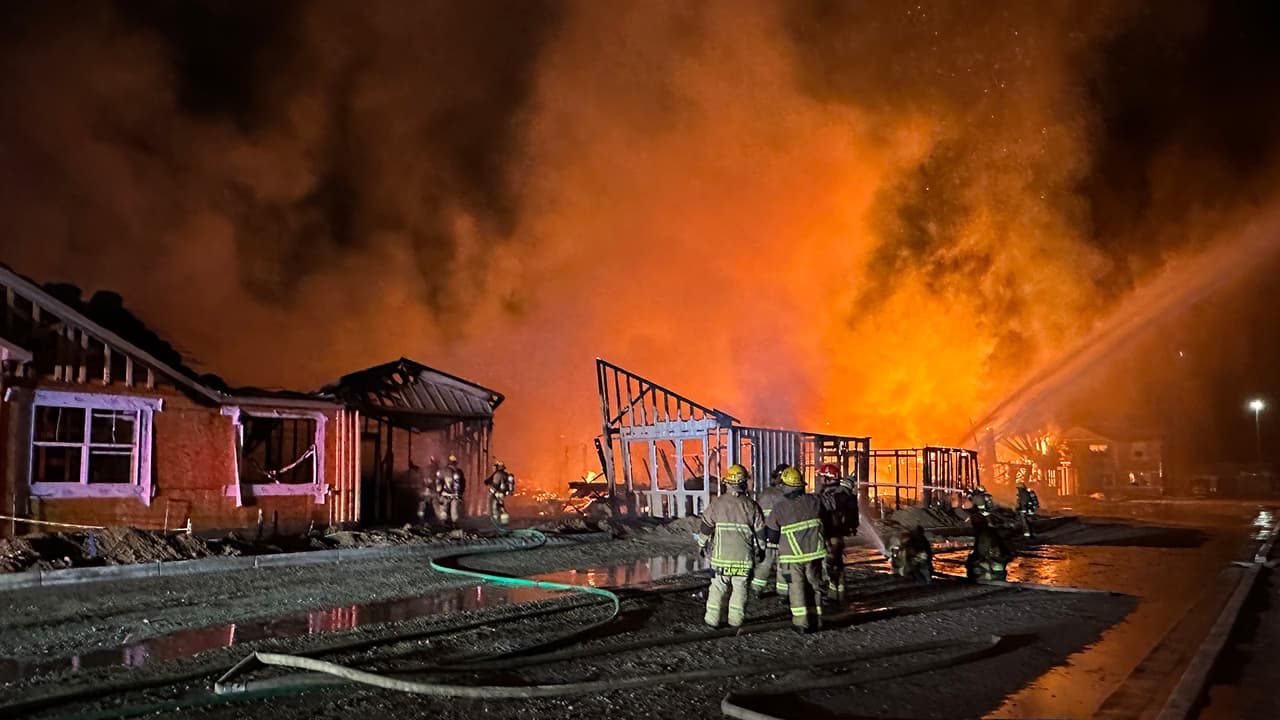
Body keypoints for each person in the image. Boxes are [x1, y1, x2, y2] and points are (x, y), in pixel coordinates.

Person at [698, 464, 766, 629]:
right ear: (744, 484)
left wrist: (701, 545)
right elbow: (761, 533)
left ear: (727, 483)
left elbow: (706, 526)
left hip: (721, 558)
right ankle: (735, 621)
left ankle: (712, 620)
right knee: (740, 588)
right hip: (743, 559)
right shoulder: (751, 506)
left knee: (717, 587)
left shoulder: (717, 504)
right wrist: (762, 550)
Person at [766, 465, 827, 633]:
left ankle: (802, 624)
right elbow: (831, 506)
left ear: (787, 486)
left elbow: (771, 534)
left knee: (797, 588)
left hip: (792, 557)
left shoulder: (780, 508)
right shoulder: (815, 500)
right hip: (814, 553)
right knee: (814, 585)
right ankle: (817, 619)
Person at [817, 465, 859, 603]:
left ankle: (832, 595)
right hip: (839, 535)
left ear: (828, 478)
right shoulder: (846, 496)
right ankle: (840, 594)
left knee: (829, 565)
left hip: (830, 535)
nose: (821, 480)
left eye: (823, 477)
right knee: (838, 564)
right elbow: (853, 519)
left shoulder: (830, 495)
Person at [750, 463, 791, 597]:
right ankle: (783, 593)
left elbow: (757, 516)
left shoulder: (764, 494)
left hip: (766, 535)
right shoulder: (787, 495)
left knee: (765, 563)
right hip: (782, 536)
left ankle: (756, 588)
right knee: (783, 565)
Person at [966, 513, 1015, 582]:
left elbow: (982, 553)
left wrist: (972, 561)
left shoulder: (984, 535)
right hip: (998, 564)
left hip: (994, 565)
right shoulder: (992, 532)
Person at [437, 454, 466, 530]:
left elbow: (439, 483)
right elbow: (461, 485)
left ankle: (443, 525)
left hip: (445, 494)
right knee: (454, 511)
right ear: (455, 463)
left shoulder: (442, 471)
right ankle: (454, 526)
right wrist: (459, 495)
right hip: (454, 496)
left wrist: (439, 494)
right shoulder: (458, 472)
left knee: (443, 510)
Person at [485, 461, 516, 525]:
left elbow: (495, 485)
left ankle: (496, 522)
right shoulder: (504, 474)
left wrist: (491, 491)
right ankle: (504, 521)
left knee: (495, 507)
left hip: (497, 493)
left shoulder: (498, 474)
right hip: (502, 493)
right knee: (500, 507)